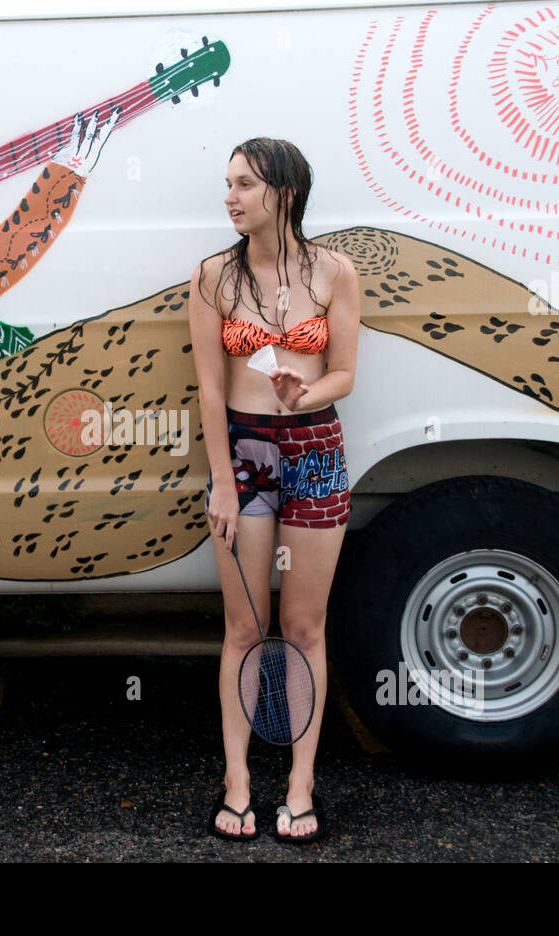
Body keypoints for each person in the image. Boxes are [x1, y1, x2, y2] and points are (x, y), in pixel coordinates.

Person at [188, 137, 360, 842]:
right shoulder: (212, 277)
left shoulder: (335, 271)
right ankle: (237, 781)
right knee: (244, 627)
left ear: (284, 192)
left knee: (303, 628)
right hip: (247, 451)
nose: (230, 196)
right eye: (227, 184)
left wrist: (306, 389)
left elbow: (344, 371)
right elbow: (207, 384)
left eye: (245, 184)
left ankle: (300, 784)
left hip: (315, 447)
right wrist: (223, 480)